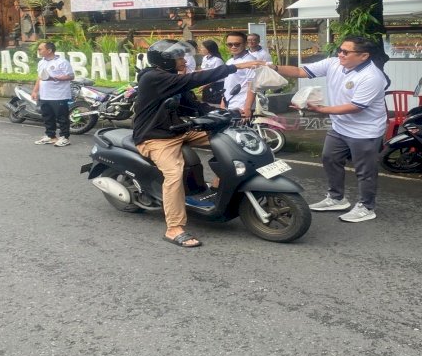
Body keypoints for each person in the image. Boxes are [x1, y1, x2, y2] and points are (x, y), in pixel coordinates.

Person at [133, 40, 260, 248]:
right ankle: (174, 228)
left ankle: (219, 185)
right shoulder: (153, 78)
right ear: (166, 62)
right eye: (179, 58)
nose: (183, 60)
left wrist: (228, 113)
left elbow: (195, 105)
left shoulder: (173, 80)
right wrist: (234, 67)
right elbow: (196, 79)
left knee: (229, 139)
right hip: (155, 137)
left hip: (179, 130)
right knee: (174, 173)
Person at [268, 36, 390, 223]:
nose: (340, 54)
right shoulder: (334, 63)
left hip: (365, 130)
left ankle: (367, 207)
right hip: (340, 126)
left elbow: (355, 106)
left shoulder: (372, 77)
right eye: (339, 50)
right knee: (330, 158)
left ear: (363, 56)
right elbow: (301, 71)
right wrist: (273, 68)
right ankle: (336, 198)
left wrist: (321, 110)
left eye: (346, 52)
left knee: (364, 170)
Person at [32, 41, 75, 147]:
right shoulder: (41, 62)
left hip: (59, 95)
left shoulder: (62, 62)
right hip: (45, 95)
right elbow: (40, 77)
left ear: (49, 50)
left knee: (62, 118)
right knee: (47, 116)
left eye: (40, 49)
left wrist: (56, 77)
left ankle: (65, 137)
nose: (38, 51)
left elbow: (71, 76)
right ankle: (50, 136)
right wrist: (35, 91)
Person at [221, 31, 257, 118]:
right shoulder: (230, 61)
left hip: (241, 107)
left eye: (237, 44)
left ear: (245, 44)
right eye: (230, 44)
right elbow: (227, 85)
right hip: (229, 104)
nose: (233, 47)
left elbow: (252, 85)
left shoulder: (250, 61)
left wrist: (247, 108)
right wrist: (222, 103)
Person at [199, 39, 225, 104]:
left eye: (202, 47)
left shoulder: (217, 60)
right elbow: (203, 70)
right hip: (206, 84)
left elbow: (217, 76)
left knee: (214, 103)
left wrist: (206, 85)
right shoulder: (205, 58)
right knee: (205, 102)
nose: (200, 49)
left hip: (216, 85)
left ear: (208, 49)